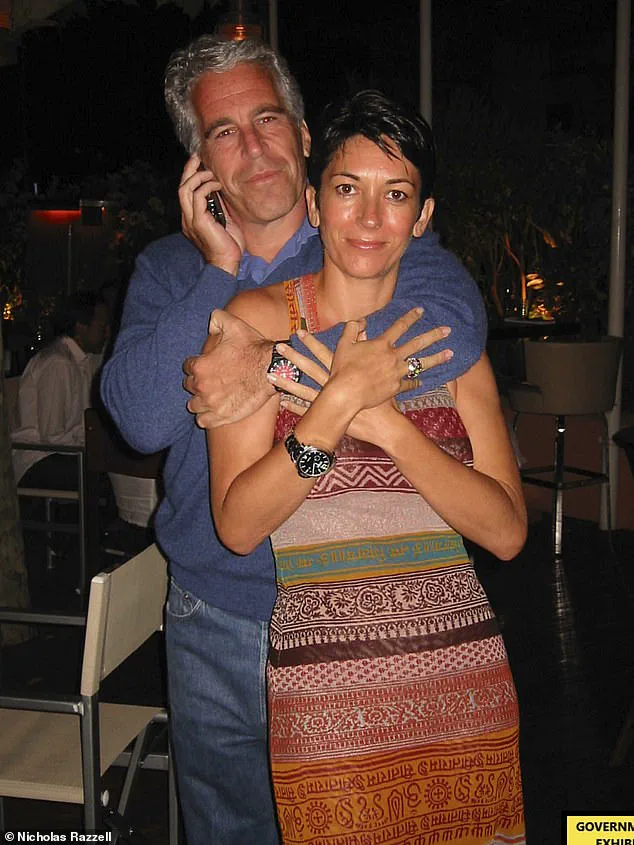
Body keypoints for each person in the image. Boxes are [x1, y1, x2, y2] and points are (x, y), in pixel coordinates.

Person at [100, 36, 488, 845]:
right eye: (224, 131)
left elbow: (453, 327)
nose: (253, 146)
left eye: (268, 118)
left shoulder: (362, 234)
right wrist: (219, 273)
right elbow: (138, 419)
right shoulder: (172, 271)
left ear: (305, 133)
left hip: (353, 609)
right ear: (199, 162)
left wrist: (264, 357)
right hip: (213, 610)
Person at [204, 90, 527, 844]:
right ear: (316, 205)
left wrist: (387, 426)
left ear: (423, 216)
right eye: (348, 189)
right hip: (327, 700)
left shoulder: (445, 336)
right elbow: (239, 524)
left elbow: (508, 532)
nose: (372, 217)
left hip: (462, 684)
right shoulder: (257, 325)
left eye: (397, 195)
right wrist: (339, 400)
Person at [12, 290, 110, 490]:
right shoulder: (59, 363)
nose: (107, 333)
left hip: (62, 454)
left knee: (110, 468)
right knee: (108, 474)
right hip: (37, 458)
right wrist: (94, 439)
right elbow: (52, 437)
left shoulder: (85, 361)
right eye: (102, 327)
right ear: (81, 327)